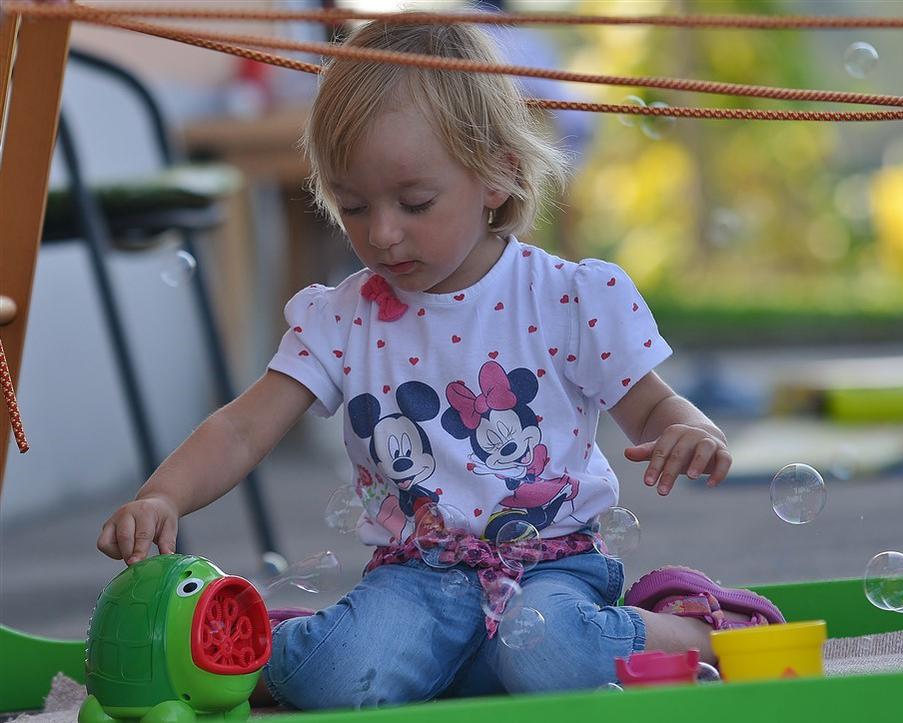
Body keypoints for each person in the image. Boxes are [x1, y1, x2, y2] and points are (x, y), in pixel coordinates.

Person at [96, 19, 784, 711]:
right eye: (352, 206)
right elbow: (243, 428)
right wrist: (164, 495)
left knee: (552, 653)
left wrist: (689, 429)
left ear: (497, 174)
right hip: (415, 578)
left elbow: (652, 405)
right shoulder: (342, 317)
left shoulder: (567, 298)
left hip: (551, 570)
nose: (382, 233)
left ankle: (696, 625)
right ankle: (349, 647)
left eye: (414, 202)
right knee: (338, 679)